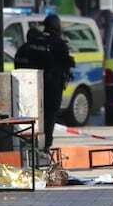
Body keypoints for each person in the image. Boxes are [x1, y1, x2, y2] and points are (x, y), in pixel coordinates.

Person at [15, 14, 74, 152]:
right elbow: (65, 64)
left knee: (30, 116)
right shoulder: (57, 44)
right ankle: (45, 146)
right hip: (52, 87)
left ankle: (30, 145)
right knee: (49, 116)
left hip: (27, 88)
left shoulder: (28, 46)